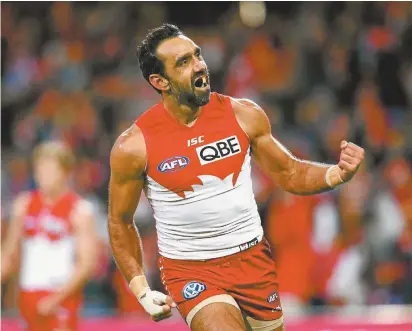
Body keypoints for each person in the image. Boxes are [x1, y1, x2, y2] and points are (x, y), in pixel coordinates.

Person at [108, 24, 365, 331]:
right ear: (159, 81)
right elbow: (119, 220)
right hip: (192, 271)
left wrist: (337, 173)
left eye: (196, 55)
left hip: (253, 261)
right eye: (183, 62)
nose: (199, 65)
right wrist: (140, 288)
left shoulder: (243, 114)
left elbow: (289, 172)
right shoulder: (134, 145)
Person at [1, 141, 98, 331]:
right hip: (28, 293)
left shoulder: (79, 210)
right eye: (40, 169)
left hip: (60, 295)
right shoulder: (23, 205)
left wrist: (57, 297)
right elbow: (8, 255)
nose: (44, 175)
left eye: (50, 169)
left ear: (65, 172)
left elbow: (87, 264)